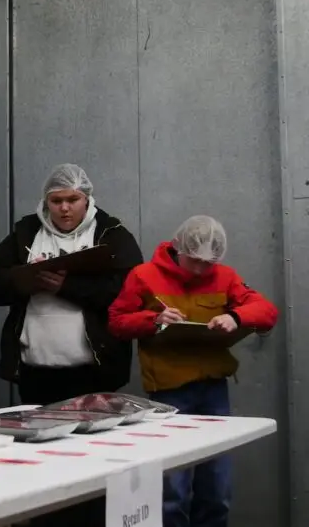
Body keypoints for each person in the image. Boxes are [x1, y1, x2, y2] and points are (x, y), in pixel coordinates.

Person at [0, 163, 143, 527]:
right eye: (56, 201)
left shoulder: (112, 234)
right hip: (38, 375)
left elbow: (129, 292)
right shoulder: (25, 232)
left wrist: (66, 286)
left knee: (95, 466)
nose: (65, 208)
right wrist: (27, 280)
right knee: (44, 468)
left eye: (73, 200)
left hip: (94, 375)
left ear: (87, 199)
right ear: (46, 201)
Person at [108, 215, 278, 527]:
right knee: (173, 493)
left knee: (216, 490)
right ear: (178, 248)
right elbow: (117, 321)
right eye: (195, 261)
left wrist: (237, 317)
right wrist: (154, 320)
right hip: (168, 393)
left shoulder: (225, 277)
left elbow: (267, 311)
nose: (201, 269)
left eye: (208, 263)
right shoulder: (143, 276)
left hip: (214, 392)